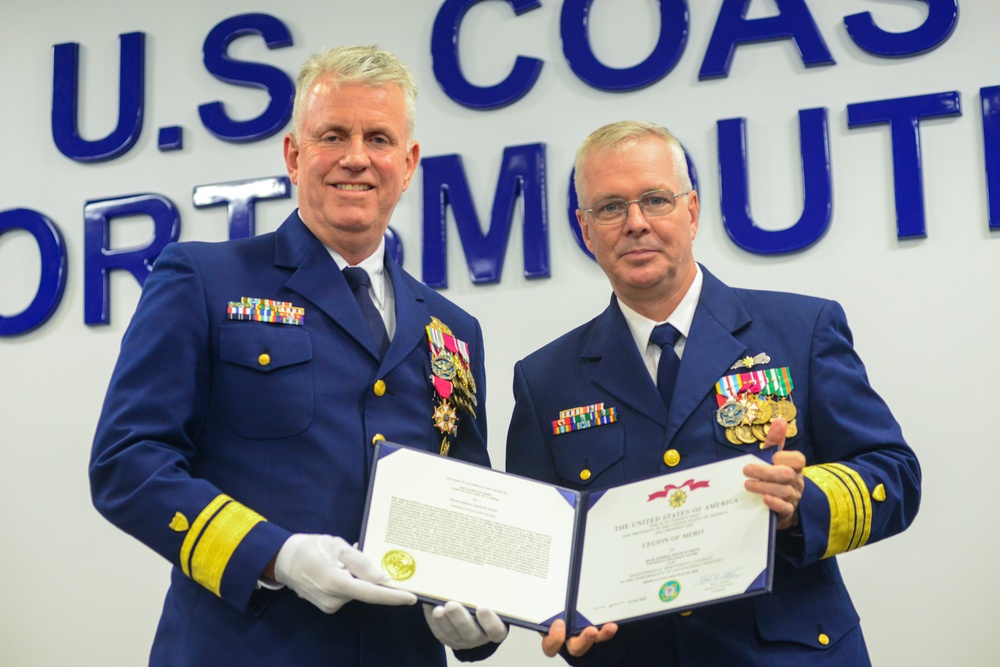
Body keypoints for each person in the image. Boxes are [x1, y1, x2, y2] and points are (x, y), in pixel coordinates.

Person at [90, 45, 506, 667]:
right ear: (294, 154)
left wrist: (480, 616)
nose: (356, 158)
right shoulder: (204, 279)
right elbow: (127, 462)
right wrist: (272, 555)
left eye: (379, 138)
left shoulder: (454, 328)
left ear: (409, 163)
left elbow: (464, 502)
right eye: (332, 135)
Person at [505, 120, 921, 665]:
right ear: (585, 230)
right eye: (610, 208)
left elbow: (895, 474)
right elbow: (541, 546)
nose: (635, 224)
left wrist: (802, 504)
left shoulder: (801, 329)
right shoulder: (546, 380)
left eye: (655, 199)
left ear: (692, 210)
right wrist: (556, 611)